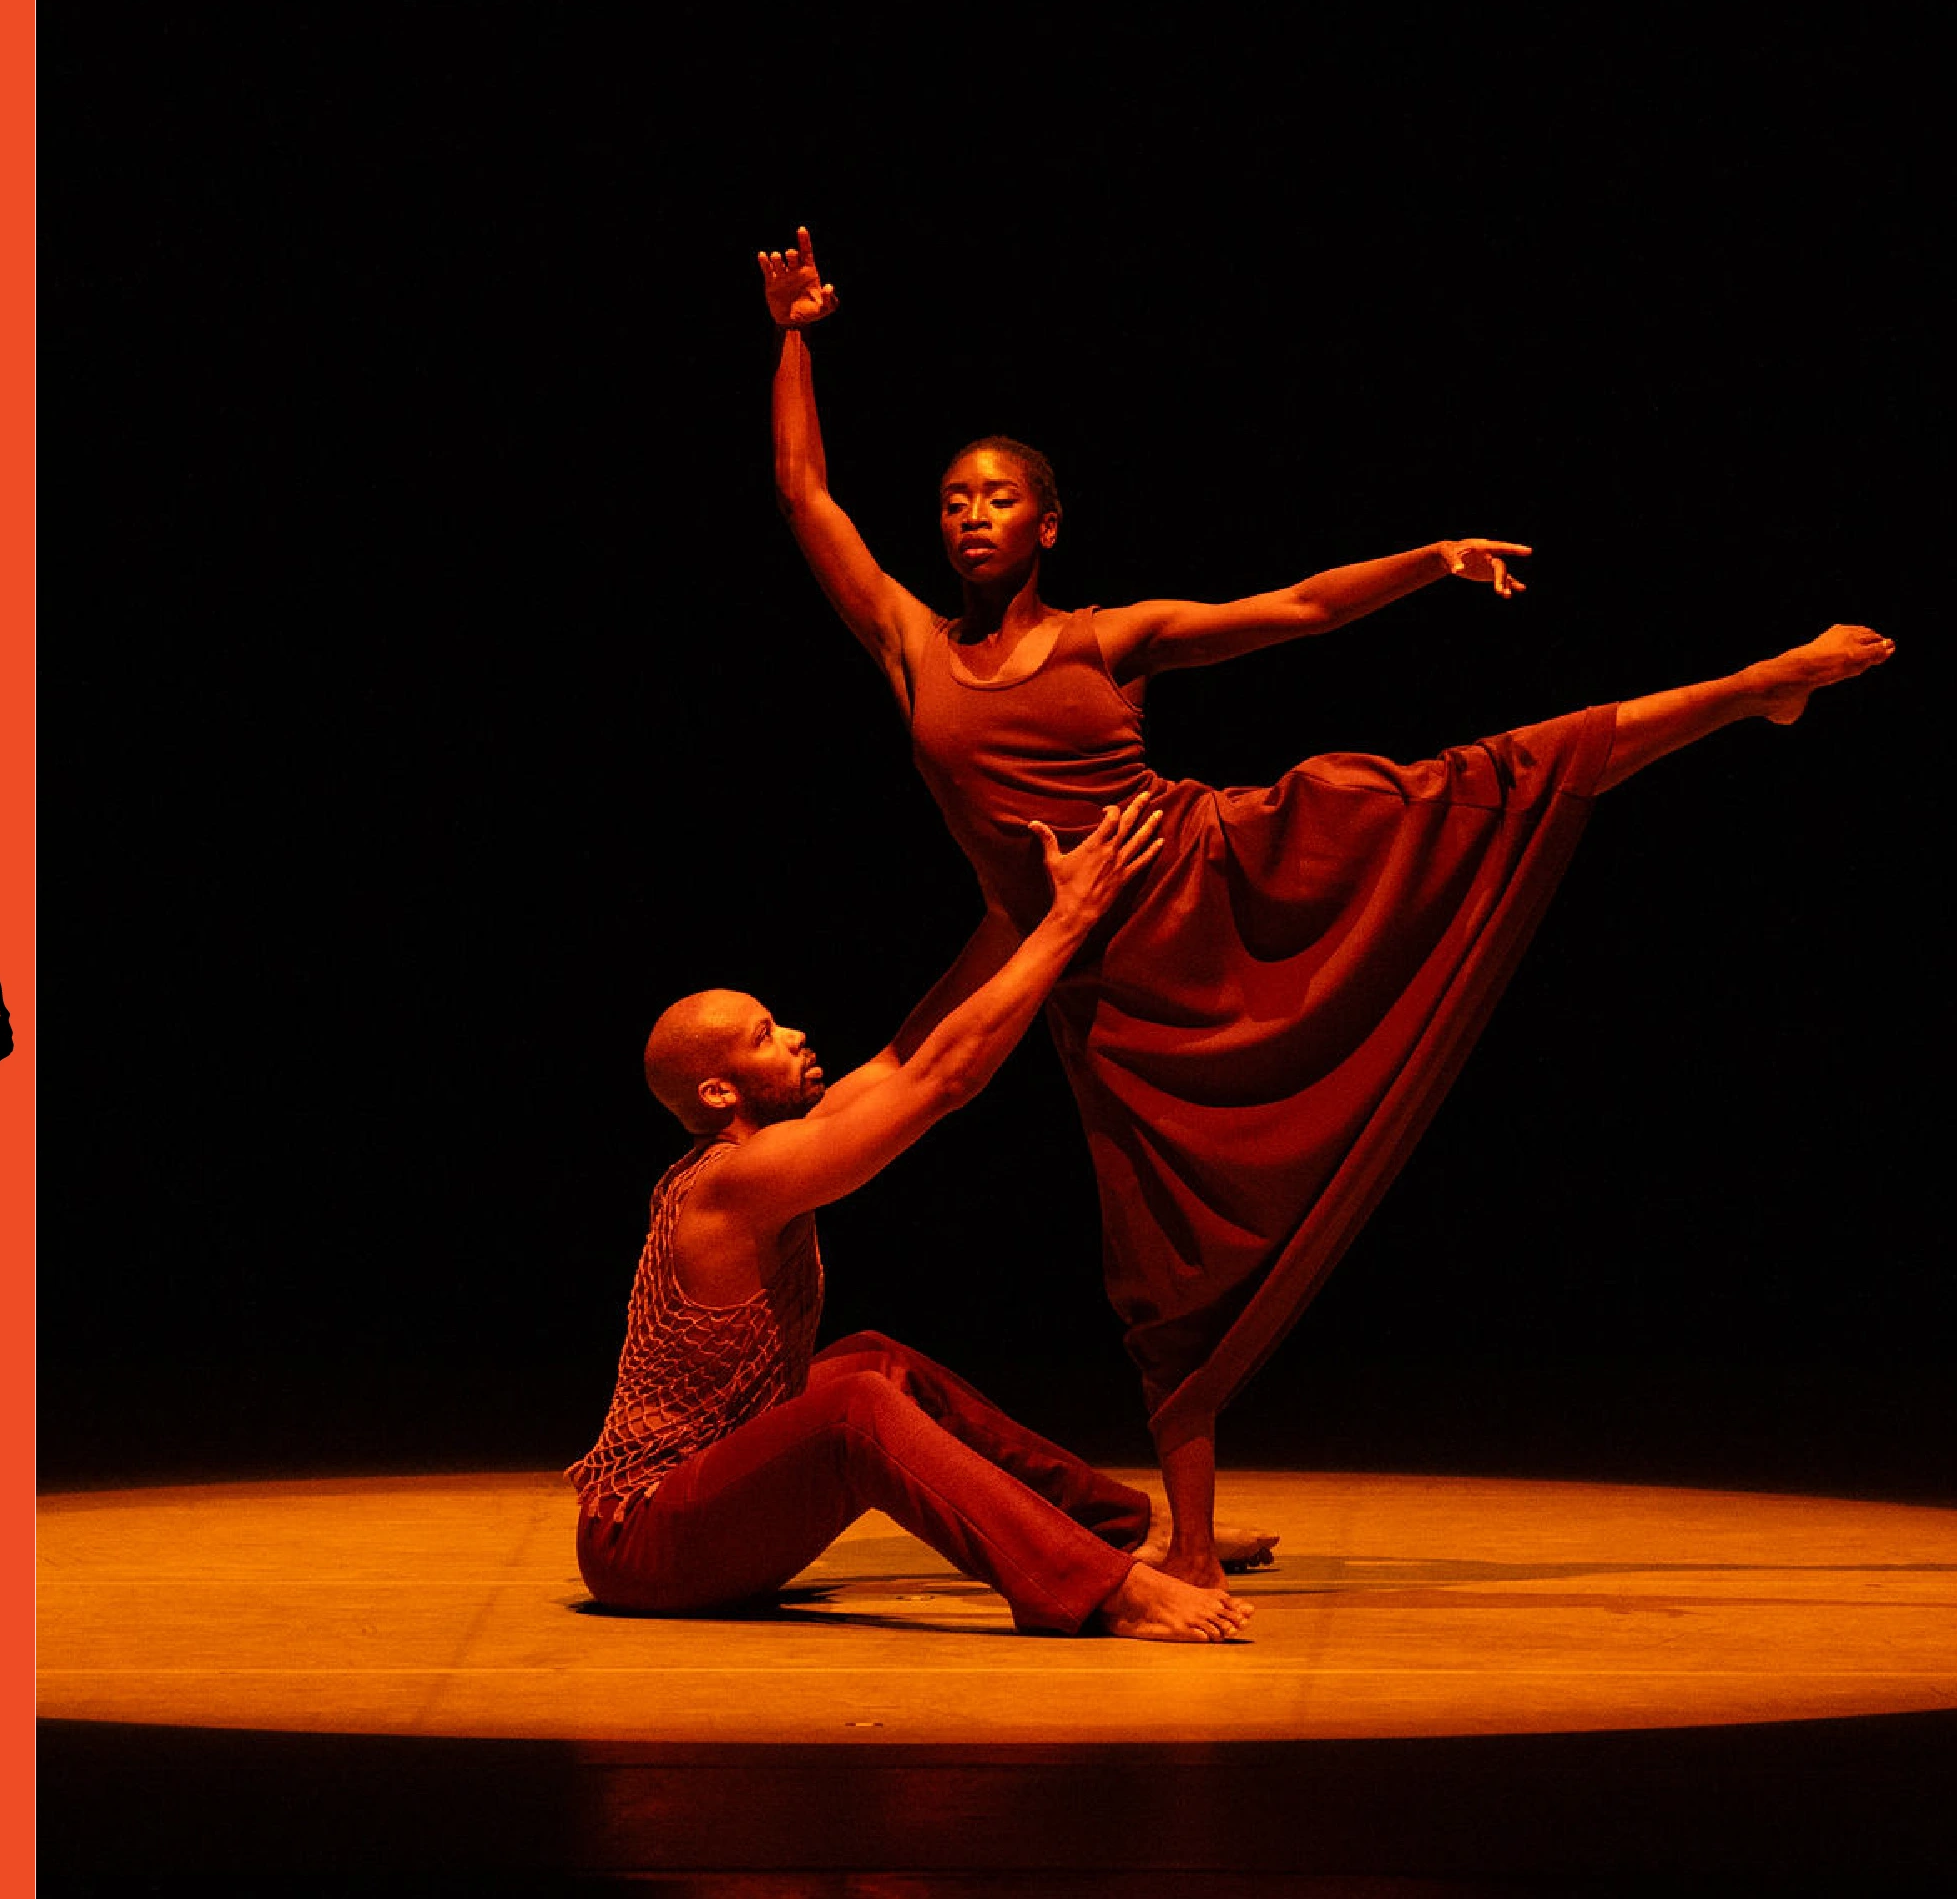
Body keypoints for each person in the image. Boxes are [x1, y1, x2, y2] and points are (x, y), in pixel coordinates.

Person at [749, 225, 1894, 1590]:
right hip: (1084, 965)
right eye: (950, 500)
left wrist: (1428, 558)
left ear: (1046, 524)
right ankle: (1186, 1536)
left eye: (997, 497)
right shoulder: (907, 644)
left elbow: (1290, 608)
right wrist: (797, 331)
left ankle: (1756, 681)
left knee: (1474, 787)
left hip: (1212, 876)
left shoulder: (1110, 637)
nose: (969, 514)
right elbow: (802, 488)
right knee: (1156, 1239)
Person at [570, 788, 1253, 1641]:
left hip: (692, 1506)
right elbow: (943, 1081)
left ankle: (1124, 1530)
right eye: (762, 1036)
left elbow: (906, 1054)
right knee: (854, 1406)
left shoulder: (771, 1155)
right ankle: (1104, 1589)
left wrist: (1015, 912)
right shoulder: (735, 1181)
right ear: (718, 1091)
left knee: (875, 1363)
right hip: (645, 1538)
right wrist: (1069, 922)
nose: (794, 1034)